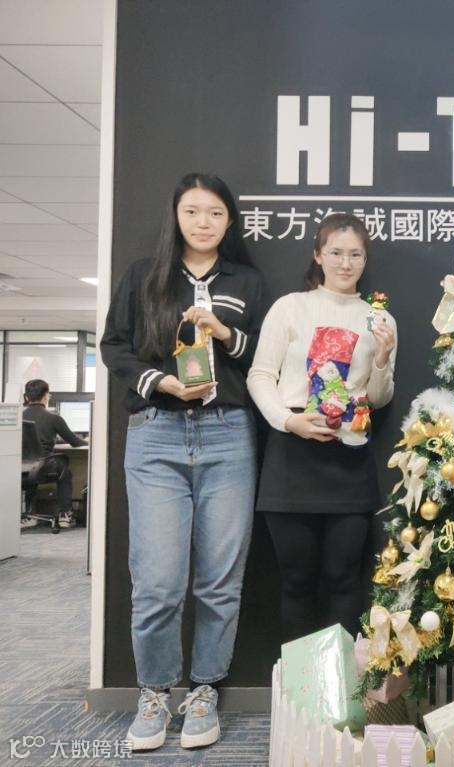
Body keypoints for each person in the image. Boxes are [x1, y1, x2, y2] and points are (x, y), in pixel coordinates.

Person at [101, 172, 264, 752]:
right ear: (176, 215)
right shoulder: (143, 275)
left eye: (215, 213)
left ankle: (204, 691)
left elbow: (266, 354)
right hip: (156, 435)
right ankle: (154, 693)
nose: (203, 222)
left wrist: (226, 333)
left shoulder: (246, 281)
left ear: (229, 221)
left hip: (227, 435)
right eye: (193, 211)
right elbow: (114, 345)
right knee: (158, 582)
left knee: (219, 581)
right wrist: (161, 382)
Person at [247, 212, 396, 643]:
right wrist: (288, 420)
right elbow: (260, 376)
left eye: (355, 255)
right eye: (336, 252)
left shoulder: (379, 319)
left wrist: (382, 359)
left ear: (365, 259)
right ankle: (300, 684)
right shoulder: (290, 307)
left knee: (345, 578)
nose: (345, 263)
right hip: (292, 455)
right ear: (318, 254)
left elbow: (378, 398)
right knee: (296, 582)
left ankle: (341, 683)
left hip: (348, 456)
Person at [22, 379, 87, 517]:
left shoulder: (18, 417)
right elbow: (75, 442)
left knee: (33, 468)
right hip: (43, 469)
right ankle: (65, 514)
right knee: (66, 472)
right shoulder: (53, 418)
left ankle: (28, 513)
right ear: (46, 396)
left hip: (21, 470)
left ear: (27, 397)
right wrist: (89, 441)